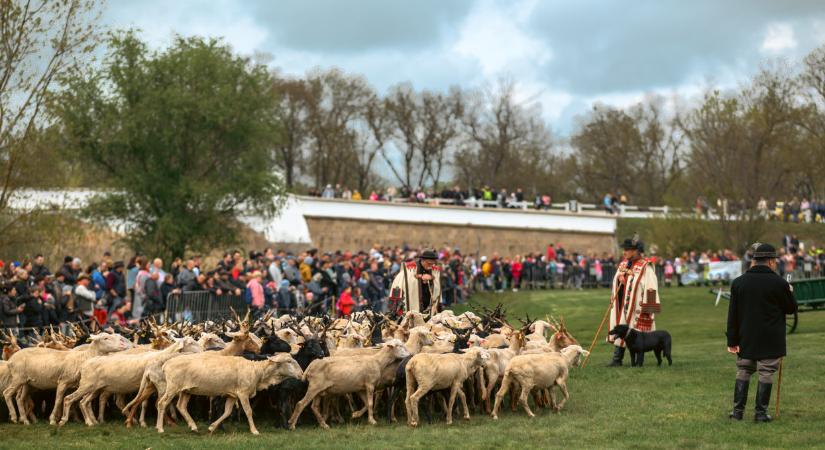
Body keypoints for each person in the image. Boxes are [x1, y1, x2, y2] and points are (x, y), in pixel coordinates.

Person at [726, 243, 797, 422]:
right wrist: (789, 291)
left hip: (746, 336)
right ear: (772, 261)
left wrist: (732, 340)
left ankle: (737, 413)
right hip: (770, 337)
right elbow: (791, 309)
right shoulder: (780, 283)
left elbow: (732, 315)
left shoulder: (739, 282)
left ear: (754, 260)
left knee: (743, 370)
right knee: (766, 371)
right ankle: (760, 413)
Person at [606, 235, 660, 367]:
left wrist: (649, 310)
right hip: (622, 305)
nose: (624, 252)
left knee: (634, 333)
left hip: (637, 306)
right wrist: (620, 278)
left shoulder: (645, 267)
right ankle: (617, 359)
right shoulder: (623, 265)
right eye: (624, 249)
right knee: (621, 329)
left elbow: (651, 288)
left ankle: (636, 361)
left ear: (636, 251)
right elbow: (617, 280)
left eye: (627, 249)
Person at [389, 249, 441, 314]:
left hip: (428, 304)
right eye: (429, 263)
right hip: (413, 304)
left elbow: (437, 285)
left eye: (433, 263)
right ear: (423, 261)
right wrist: (421, 277)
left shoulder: (434, 271)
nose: (431, 265)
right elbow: (399, 284)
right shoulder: (409, 270)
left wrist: (430, 279)